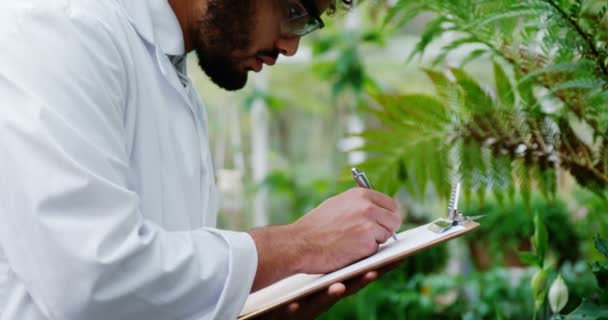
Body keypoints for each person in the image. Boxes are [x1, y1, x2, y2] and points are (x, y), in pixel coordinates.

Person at [0, 0, 403, 319]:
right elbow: (88, 280)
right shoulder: (59, 25)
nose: (291, 46)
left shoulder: (169, 73)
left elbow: (147, 296)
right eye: (293, 11)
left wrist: (242, 306)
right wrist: (300, 244)